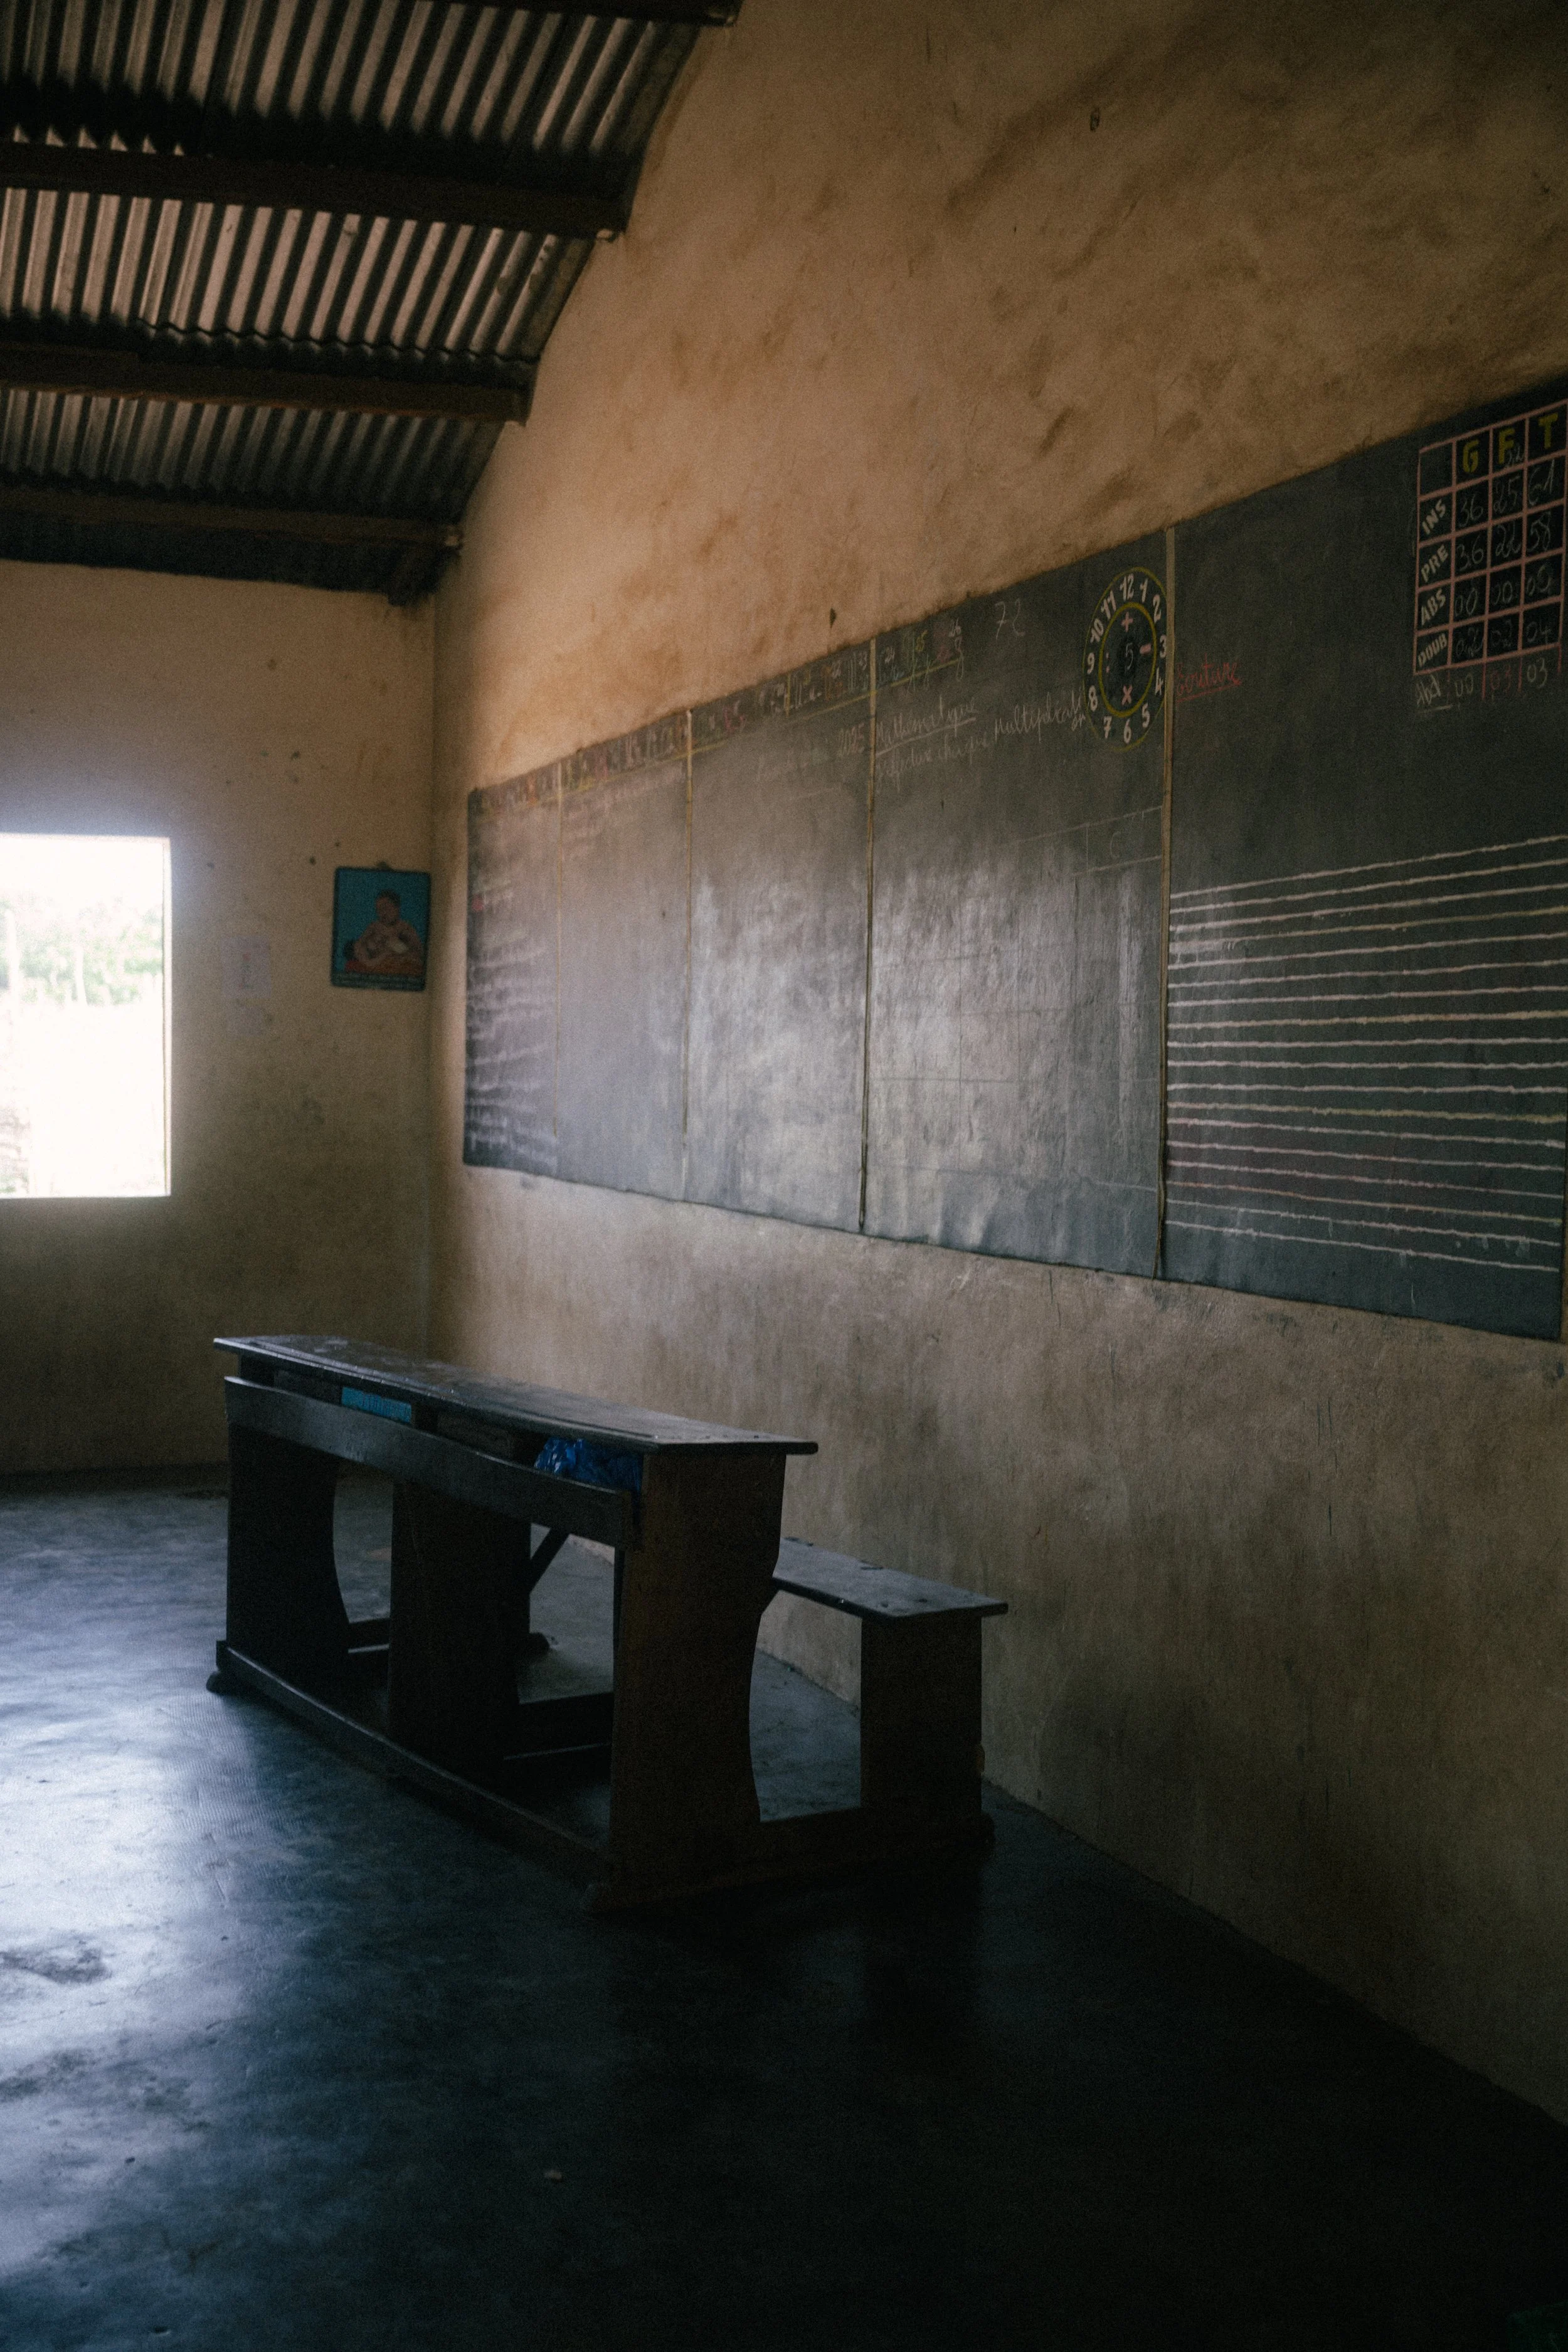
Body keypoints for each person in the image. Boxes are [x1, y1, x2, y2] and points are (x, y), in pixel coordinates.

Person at [347, 889, 425, 978]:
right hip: (377, 963)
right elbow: (360, 943)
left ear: (397, 908)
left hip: (397, 962)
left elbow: (420, 952)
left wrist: (402, 951)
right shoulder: (375, 927)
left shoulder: (406, 928)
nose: (383, 913)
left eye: (386, 908)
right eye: (379, 910)